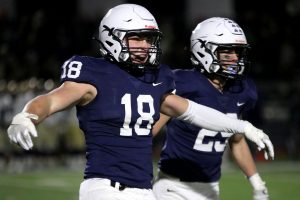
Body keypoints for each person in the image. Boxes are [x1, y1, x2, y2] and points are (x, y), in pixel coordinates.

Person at [7, 5, 273, 200]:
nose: (144, 46)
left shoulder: (156, 79)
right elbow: (51, 101)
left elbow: (193, 112)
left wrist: (242, 127)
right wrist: (28, 115)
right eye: (136, 38)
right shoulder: (92, 74)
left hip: (143, 190)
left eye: (148, 39)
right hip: (106, 189)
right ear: (111, 37)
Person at [152, 17, 271, 200]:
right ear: (203, 50)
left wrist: (257, 183)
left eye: (238, 52)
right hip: (173, 187)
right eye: (227, 51)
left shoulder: (242, 91)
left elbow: (237, 141)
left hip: (211, 188)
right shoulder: (182, 83)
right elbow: (147, 132)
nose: (235, 58)